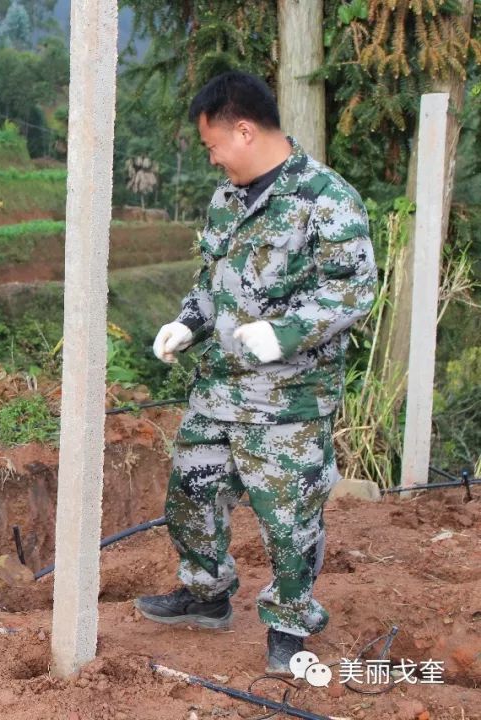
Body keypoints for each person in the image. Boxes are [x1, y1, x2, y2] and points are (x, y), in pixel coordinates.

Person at [133, 71, 377, 674]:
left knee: (289, 517)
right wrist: (189, 323)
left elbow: (353, 290)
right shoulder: (227, 201)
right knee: (189, 493)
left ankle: (290, 624)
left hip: (288, 398)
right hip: (220, 389)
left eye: (213, 145)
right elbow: (213, 283)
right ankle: (207, 593)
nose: (212, 158)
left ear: (244, 130)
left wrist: (284, 334)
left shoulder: (325, 198)